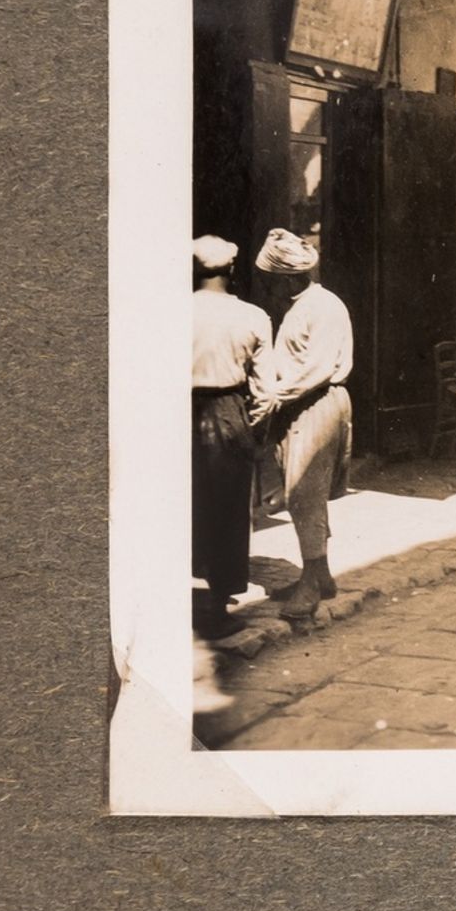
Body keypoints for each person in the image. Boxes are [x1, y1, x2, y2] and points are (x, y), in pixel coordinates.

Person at [251, 228, 354, 622]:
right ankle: (321, 574)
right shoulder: (298, 306)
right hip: (298, 404)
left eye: (270, 280)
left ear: (289, 277)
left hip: (317, 403)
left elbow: (317, 367)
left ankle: (311, 582)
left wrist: (275, 396)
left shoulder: (323, 307)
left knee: (304, 493)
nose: (267, 286)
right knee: (300, 493)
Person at [191, 235, 270, 636]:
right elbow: (266, 390)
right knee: (227, 509)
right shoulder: (253, 317)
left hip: (180, 413)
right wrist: (250, 426)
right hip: (228, 412)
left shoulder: (173, 311)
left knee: (183, 504)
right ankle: (218, 608)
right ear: (233, 270)